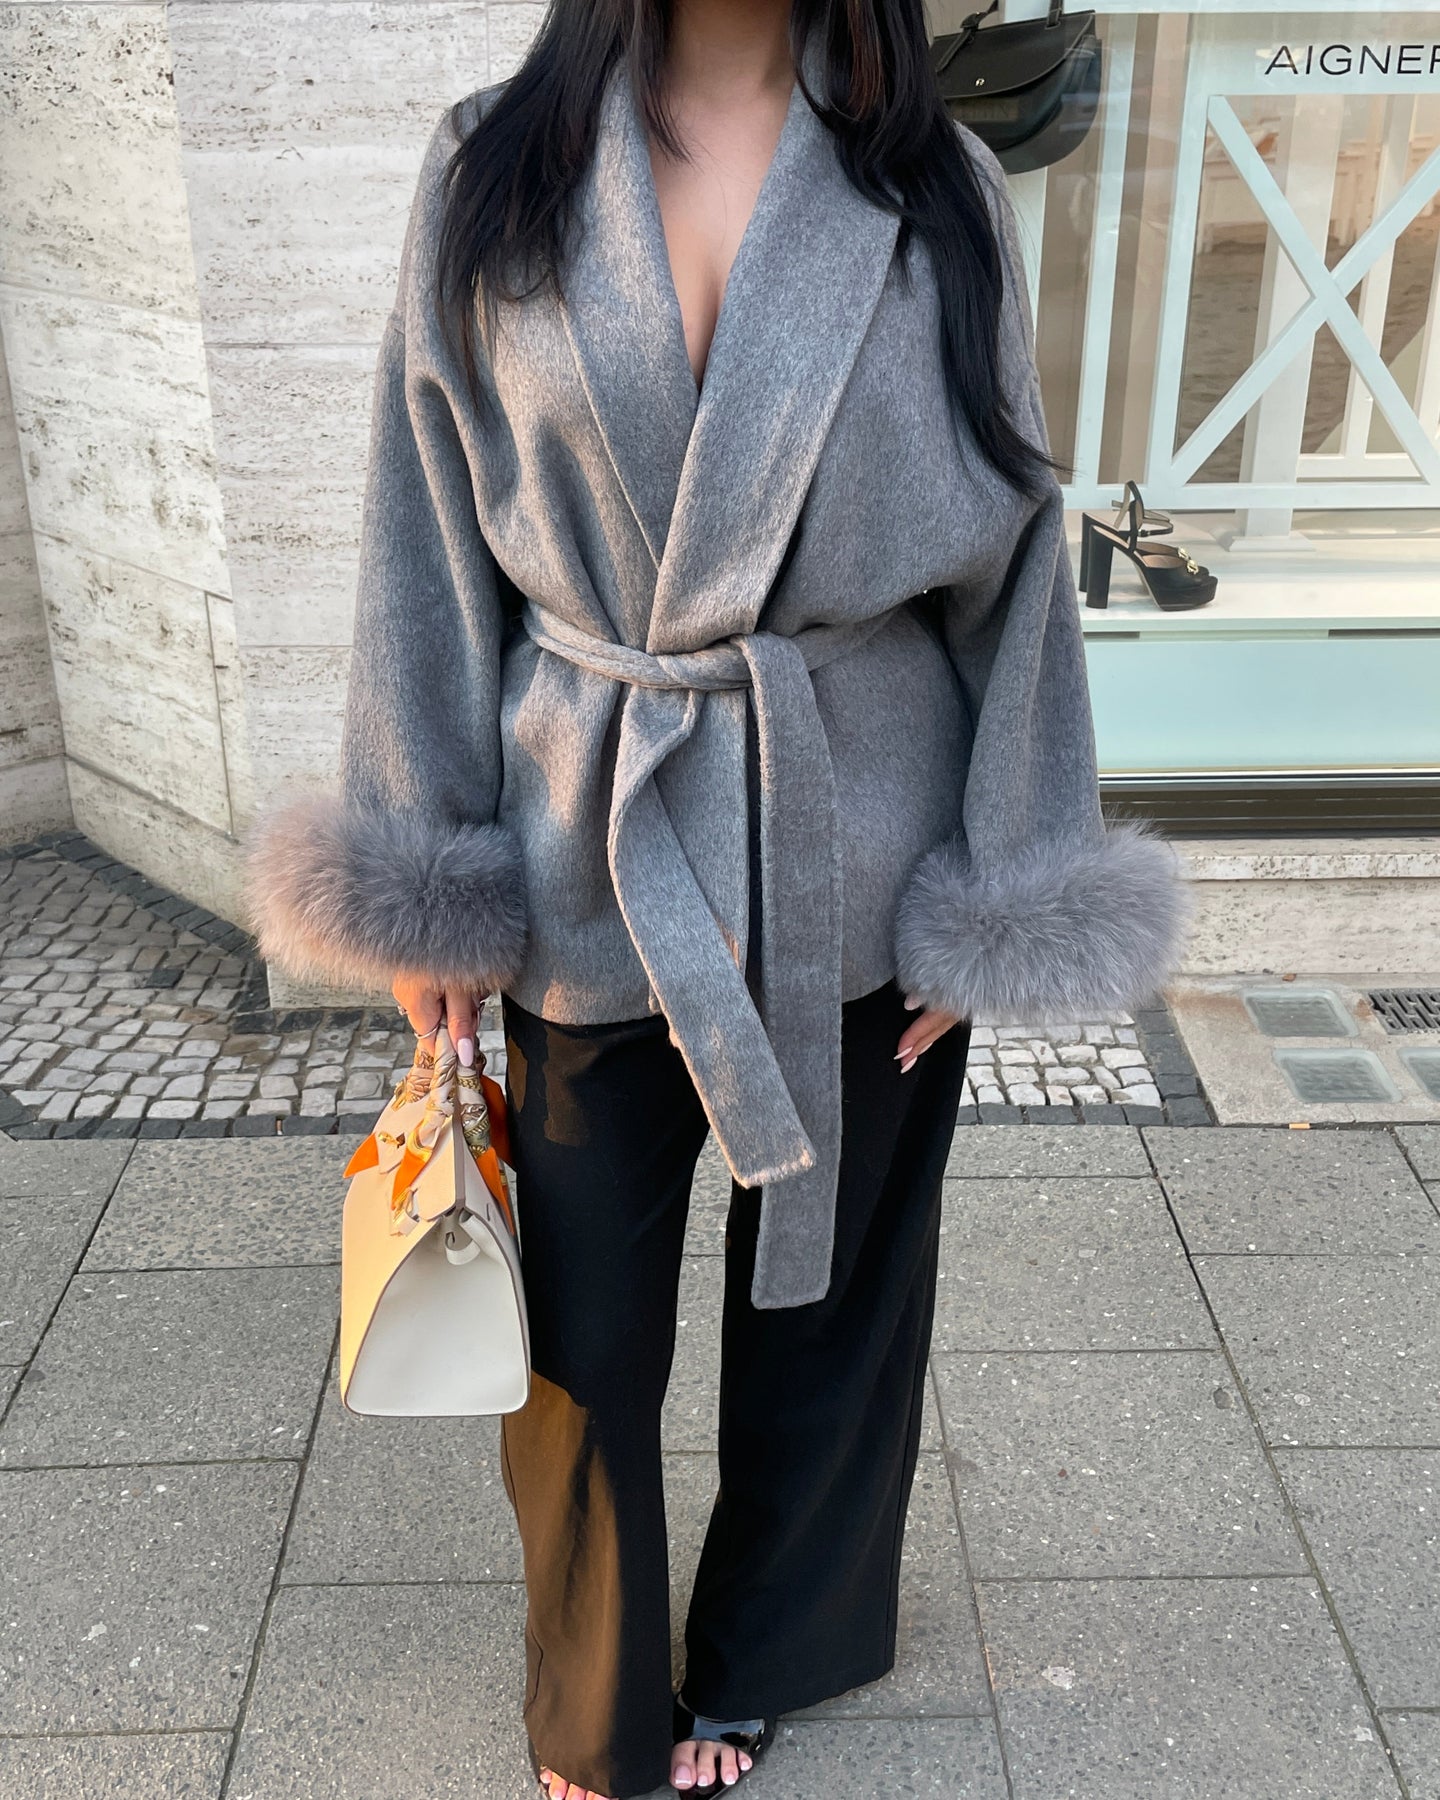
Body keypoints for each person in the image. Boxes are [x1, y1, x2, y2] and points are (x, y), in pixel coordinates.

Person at [247, 1, 1192, 1795]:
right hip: (582, 842)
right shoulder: (495, 166)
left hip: (862, 834)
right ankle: (598, 1694)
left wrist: (1004, 881)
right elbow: (424, 535)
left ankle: (769, 1647)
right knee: (581, 1328)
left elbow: (1017, 551)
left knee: (836, 1308)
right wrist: (426, 870)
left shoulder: (937, 188)